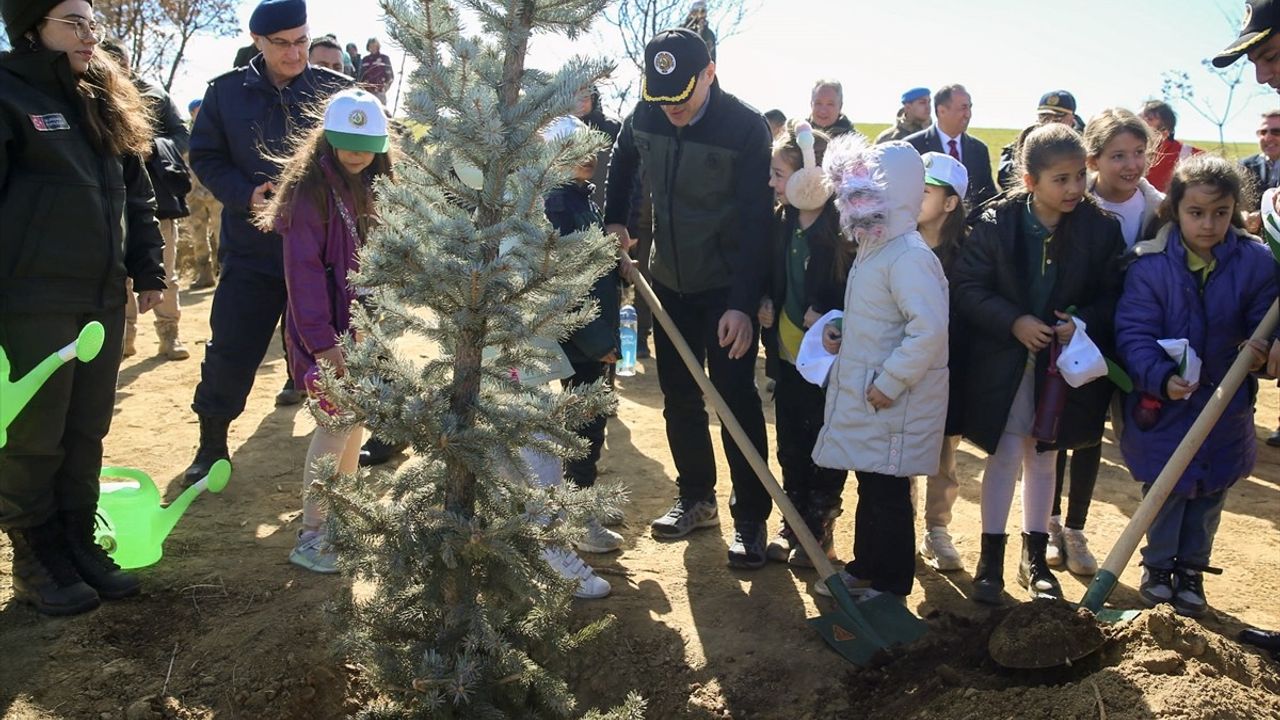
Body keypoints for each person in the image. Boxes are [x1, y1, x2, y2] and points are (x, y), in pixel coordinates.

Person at [0, 0, 166, 615]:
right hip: (30, 297)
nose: (89, 34)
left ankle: (77, 538)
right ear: (30, 28)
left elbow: (136, 191)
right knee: (33, 433)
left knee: (85, 426)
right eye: (73, 22)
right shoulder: (9, 93)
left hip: (100, 296)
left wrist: (147, 266)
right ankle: (35, 554)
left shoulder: (104, 96)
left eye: (93, 22)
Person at [604, 28, 774, 568]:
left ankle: (750, 518)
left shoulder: (745, 129)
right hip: (667, 281)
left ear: (709, 74)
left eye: (682, 95)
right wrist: (617, 220)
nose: (671, 108)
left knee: (733, 400)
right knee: (679, 395)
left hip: (724, 289)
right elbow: (621, 159)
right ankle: (696, 497)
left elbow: (756, 224)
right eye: (661, 96)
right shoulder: (648, 112)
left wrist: (743, 305)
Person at [952, 124, 1125, 603]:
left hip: (1062, 370)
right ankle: (990, 562)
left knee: (1045, 458)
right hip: (1005, 365)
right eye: (1060, 180)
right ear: (1029, 181)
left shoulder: (1099, 228)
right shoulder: (994, 223)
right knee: (1006, 456)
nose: (1074, 189)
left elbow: (1113, 295)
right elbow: (967, 288)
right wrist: (1014, 322)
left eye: (1078, 177)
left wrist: (1082, 322)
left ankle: (1034, 562)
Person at [183, 0, 349, 485]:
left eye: (302, 41)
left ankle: (353, 439)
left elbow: (366, 156)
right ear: (258, 41)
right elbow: (207, 156)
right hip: (252, 250)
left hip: (322, 256)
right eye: (283, 44)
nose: (296, 54)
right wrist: (243, 193)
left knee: (341, 347)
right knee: (231, 349)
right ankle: (211, 444)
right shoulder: (225, 94)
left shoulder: (334, 92)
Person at [1116, 154, 1275, 617]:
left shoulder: (1256, 263)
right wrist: (1161, 379)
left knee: (1209, 493)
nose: (1208, 225)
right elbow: (1133, 333)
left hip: (1225, 406)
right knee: (1167, 491)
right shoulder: (1149, 268)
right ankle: (1159, 567)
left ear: (1235, 212)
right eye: (1196, 213)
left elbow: (1266, 318)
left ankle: (1191, 570)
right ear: (1174, 209)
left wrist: (1264, 349)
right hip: (1166, 408)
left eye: (1220, 213)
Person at [810, 138, 949, 605]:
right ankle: (866, 567)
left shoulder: (908, 255)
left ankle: (891, 584)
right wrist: (844, 330)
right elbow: (882, 317)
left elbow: (927, 330)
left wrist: (889, 381)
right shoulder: (876, 249)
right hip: (875, 400)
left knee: (888, 492)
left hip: (893, 402)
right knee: (871, 483)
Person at [261, 88, 391, 573]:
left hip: (362, 335)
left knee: (353, 426)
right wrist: (323, 343)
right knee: (333, 428)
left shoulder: (376, 189)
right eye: (346, 141)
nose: (357, 152)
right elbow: (305, 275)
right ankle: (313, 533)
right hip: (326, 340)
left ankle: (344, 517)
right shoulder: (310, 193)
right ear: (326, 140)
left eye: (367, 143)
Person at [757, 123, 850, 567]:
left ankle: (818, 526)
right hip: (788, 357)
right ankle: (791, 521)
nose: (772, 183)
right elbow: (772, 276)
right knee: (791, 441)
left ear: (808, 177)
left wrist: (832, 314)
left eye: (779, 174)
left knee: (824, 442)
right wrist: (765, 302)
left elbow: (856, 291)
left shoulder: (841, 231)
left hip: (828, 364)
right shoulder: (780, 223)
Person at [541, 115, 625, 556]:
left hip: (591, 334)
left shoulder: (580, 198)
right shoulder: (558, 204)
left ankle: (579, 504)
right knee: (582, 426)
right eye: (576, 150)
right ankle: (576, 516)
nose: (589, 158)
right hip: (578, 339)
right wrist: (599, 341)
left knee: (588, 422)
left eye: (592, 148)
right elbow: (567, 285)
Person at [100, 40, 193, 362]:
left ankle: (170, 336)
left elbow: (183, 136)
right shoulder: (86, 93)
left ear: (128, 64)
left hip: (155, 199)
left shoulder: (155, 95)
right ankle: (124, 338)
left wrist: (154, 147)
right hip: (105, 201)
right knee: (117, 275)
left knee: (163, 270)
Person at [914, 152, 969, 572]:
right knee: (898, 454)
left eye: (927, 190)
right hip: (902, 369)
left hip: (948, 372)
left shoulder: (967, 255)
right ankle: (899, 525)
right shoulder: (897, 242)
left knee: (943, 456)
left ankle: (937, 529)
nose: (916, 196)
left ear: (950, 203)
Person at [905, 84, 998, 216]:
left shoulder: (979, 149)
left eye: (970, 107)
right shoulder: (913, 146)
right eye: (963, 108)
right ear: (942, 111)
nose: (968, 114)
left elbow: (988, 196)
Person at [997, 91, 1078, 191]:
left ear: (1072, 118)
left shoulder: (1082, 145)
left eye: (1057, 118)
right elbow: (1005, 178)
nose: (1049, 123)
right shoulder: (1024, 142)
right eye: (1044, 117)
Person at [185, 99, 221, 289]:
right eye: (196, 110)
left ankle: (225, 274)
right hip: (192, 194)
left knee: (222, 234)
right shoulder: (184, 135)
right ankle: (204, 275)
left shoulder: (215, 130)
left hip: (216, 193)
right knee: (198, 236)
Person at [1141, 101, 1201, 193]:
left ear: (1165, 132)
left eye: (1148, 119)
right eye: (1137, 118)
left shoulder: (1191, 156)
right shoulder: (1123, 152)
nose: (1137, 123)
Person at [1240, 110, 1280, 234]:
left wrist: (1262, 216)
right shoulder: (1245, 166)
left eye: (1276, 131)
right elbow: (1236, 201)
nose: (1268, 137)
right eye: (1263, 132)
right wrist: (1242, 214)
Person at [359, 37, 393, 105]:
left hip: (380, 91)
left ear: (378, 46)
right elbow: (361, 75)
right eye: (370, 46)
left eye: (374, 46)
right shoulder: (365, 59)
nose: (373, 48)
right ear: (368, 47)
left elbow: (390, 76)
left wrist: (385, 88)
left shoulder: (384, 58)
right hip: (366, 92)